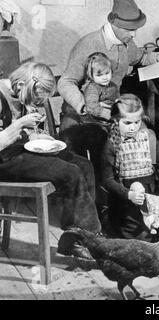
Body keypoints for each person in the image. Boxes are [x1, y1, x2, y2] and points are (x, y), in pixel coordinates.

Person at [57, 0, 159, 176]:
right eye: (130, 29)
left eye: (136, 29)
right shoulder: (88, 43)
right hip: (81, 114)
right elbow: (65, 82)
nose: (134, 34)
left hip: (112, 113)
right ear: (114, 24)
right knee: (97, 147)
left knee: (146, 135)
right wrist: (84, 106)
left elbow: (140, 57)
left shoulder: (126, 43)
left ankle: (150, 186)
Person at [0, 62, 102, 260]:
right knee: (70, 172)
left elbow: (24, 134)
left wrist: (38, 137)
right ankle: (89, 239)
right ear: (21, 85)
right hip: (3, 160)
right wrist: (21, 123)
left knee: (84, 165)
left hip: (17, 152)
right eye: (33, 98)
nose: (34, 103)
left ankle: (79, 235)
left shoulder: (19, 91)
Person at [101, 94, 159, 241]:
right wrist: (129, 195)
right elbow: (108, 180)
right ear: (116, 120)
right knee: (138, 238)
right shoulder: (110, 143)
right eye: (127, 123)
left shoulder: (149, 136)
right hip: (126, 200)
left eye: (137, 122)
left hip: (150, 197)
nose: (133, 127)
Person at [82, 52, 120, 131]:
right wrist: (109, 115)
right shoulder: (92, 88)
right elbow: (92, 108)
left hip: (112, 118)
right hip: (95, 120)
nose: (105, 77)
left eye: (107, 73)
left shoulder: (113, 86)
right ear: (91, 75)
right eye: (99, 75)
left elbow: (117, 100)